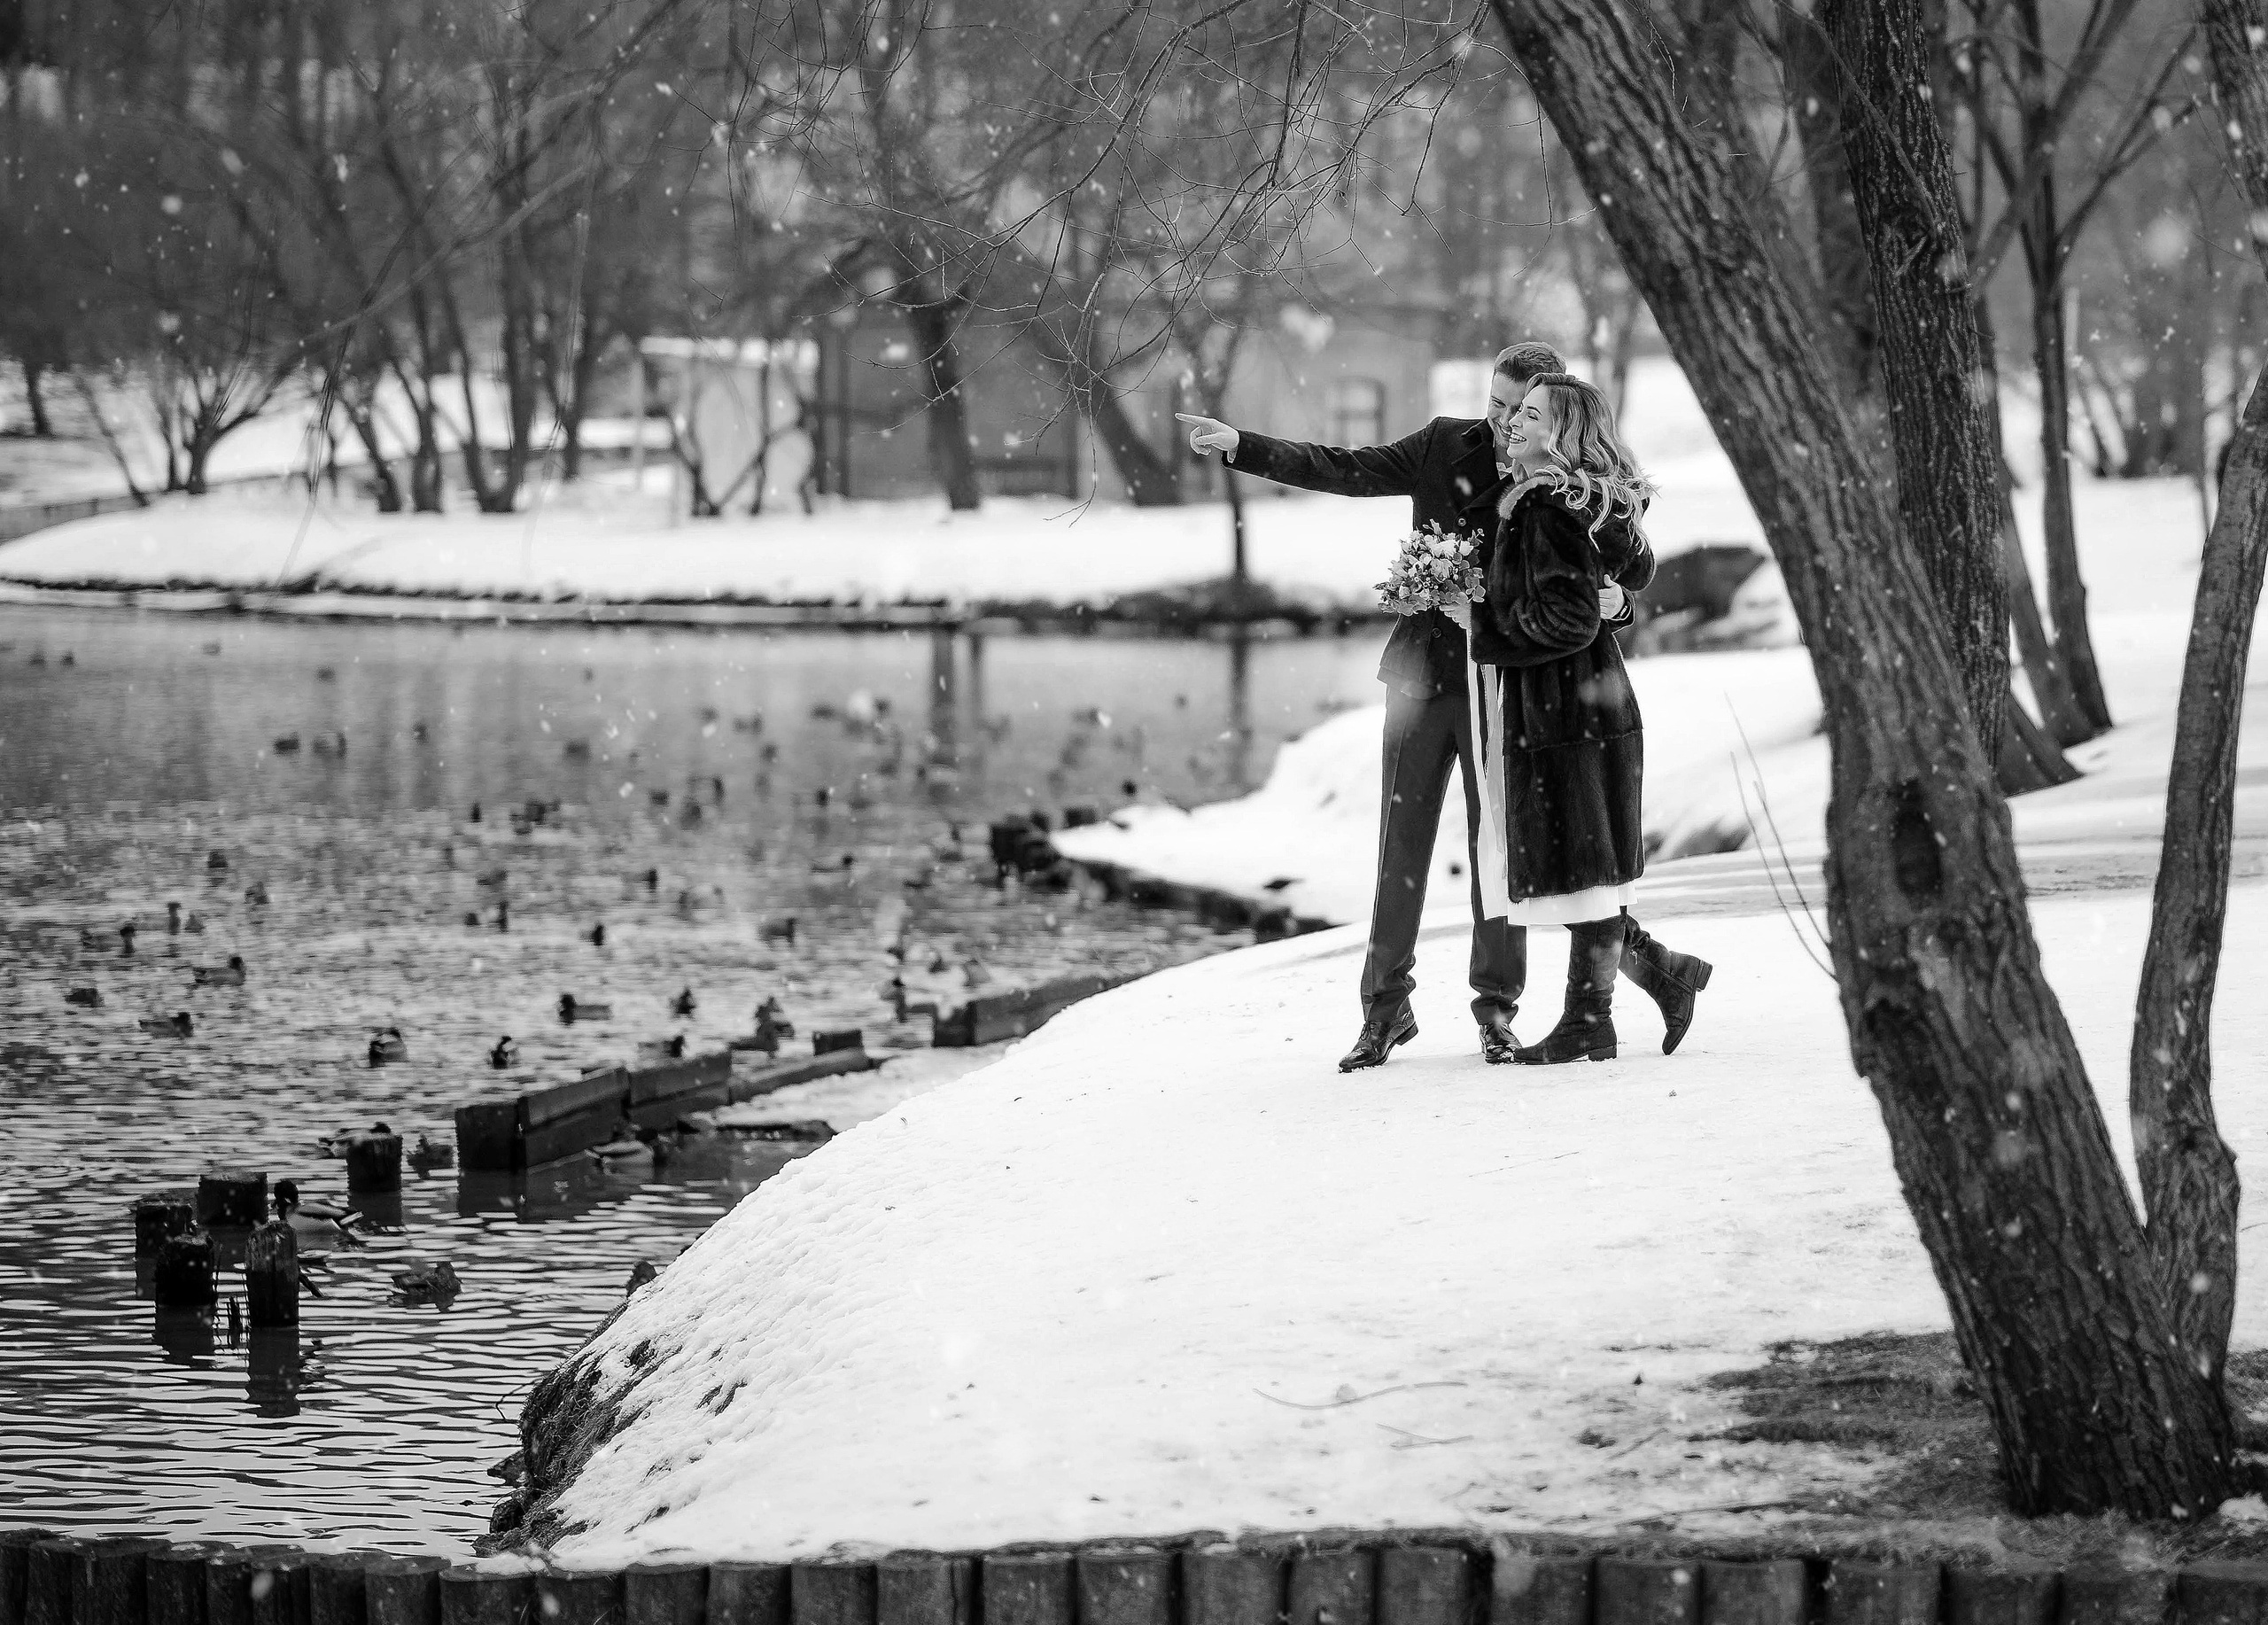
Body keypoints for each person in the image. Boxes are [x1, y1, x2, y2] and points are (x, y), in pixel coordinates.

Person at [1176, 343, 1710, 1070]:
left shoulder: (1567, 479)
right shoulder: (1440, 445)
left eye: (1514, 409)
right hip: (1424, 677)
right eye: (1494, 404)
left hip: (1514, 687)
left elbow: (1619, 561)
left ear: (1546, 411)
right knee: (1402, 848)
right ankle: (1385, 1011)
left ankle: (1497, 1010)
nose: (1497, 421)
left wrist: (1618, 605)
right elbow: (1347, 467)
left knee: (1507, 853)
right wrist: (1245, 446)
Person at [1449, 372, 1710, 1063]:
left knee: (1582, 868)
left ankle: (1592, 1019)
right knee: (1588, 862)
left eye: (1530, 415)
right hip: (1592, 700)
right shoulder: (1587, 502)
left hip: (1564, 706)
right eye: (1517, 412)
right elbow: (1623, 576)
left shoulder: (1546, 507)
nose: (1513, 422)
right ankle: (1650, 981)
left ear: (1561, 434)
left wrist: (1478, 619)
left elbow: (1564, 619)